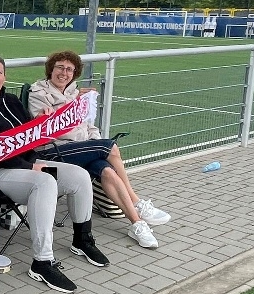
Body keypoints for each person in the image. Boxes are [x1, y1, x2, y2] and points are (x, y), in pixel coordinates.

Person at [0, 55, 103, 294]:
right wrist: (29, 166)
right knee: (44, 182)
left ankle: (82, 239)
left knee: (78, 175)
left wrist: (41, 124)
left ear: (5, 77)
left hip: (23, 168)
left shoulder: (11, 101)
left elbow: (28, 138)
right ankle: (42, 261)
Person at [27, 50, 170, 249]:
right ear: (51, 69)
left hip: (81, 150)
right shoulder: (38, 93)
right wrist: (56, 112)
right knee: (110, 147)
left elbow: (90, 126)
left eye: (69, 69)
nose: (64, 73)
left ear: (74, 74)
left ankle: (137, 224)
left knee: (107, 170)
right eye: (60, 67)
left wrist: (95, 144)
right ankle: (136, 201)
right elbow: (44, 127)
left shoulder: (77, 94)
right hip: (54, 151)